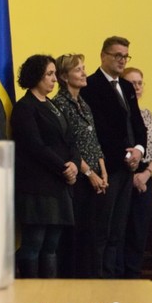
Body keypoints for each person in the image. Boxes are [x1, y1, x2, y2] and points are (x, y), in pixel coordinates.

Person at [80, 36, 147, 278]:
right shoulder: (90, 86)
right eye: (117, 55)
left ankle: (111, 279)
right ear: (103, 56)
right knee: (101, 229)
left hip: (128, 167)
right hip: (106, 167)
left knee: (117, 229)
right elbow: (99, 130)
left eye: (125, 56)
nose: (122, 60)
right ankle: (97, 279)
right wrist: (125, 154)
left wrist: (139, 149)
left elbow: (137, 123)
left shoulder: (127, 87)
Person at [11, 55, 79, 278]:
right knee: (34, 243)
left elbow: (70, 140)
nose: (54, 79)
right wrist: (64, 168)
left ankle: (49, 292)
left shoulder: (53, 105)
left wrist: (75, 164)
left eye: (54, 74)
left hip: (58, 186)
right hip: (37, 187)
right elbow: (34, 146)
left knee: (51, 246)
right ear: (36, 76)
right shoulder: (25, 107)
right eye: (49, 74)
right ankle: (30, 291)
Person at [53, 53, 107, 278]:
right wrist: (90, 173)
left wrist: (103, 171)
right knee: (78, 236)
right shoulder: (60, 105)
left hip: (96, 176)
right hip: (79, 179)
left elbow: (94, 140)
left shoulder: (84, 104)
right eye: (78, 70)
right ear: (64, 77)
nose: (84, 73)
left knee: (94, 235)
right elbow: (70, 146)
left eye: (84, 68)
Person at [121, 67, 152, 279]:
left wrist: (146, 174)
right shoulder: (119, 113)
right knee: (120, 231)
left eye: (139, 83)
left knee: (139, 231)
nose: (136, 87)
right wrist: (132, 175)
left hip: (145, 177)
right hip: (123, 176)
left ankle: (134, 277)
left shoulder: (147, 114)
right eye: (132, 83)